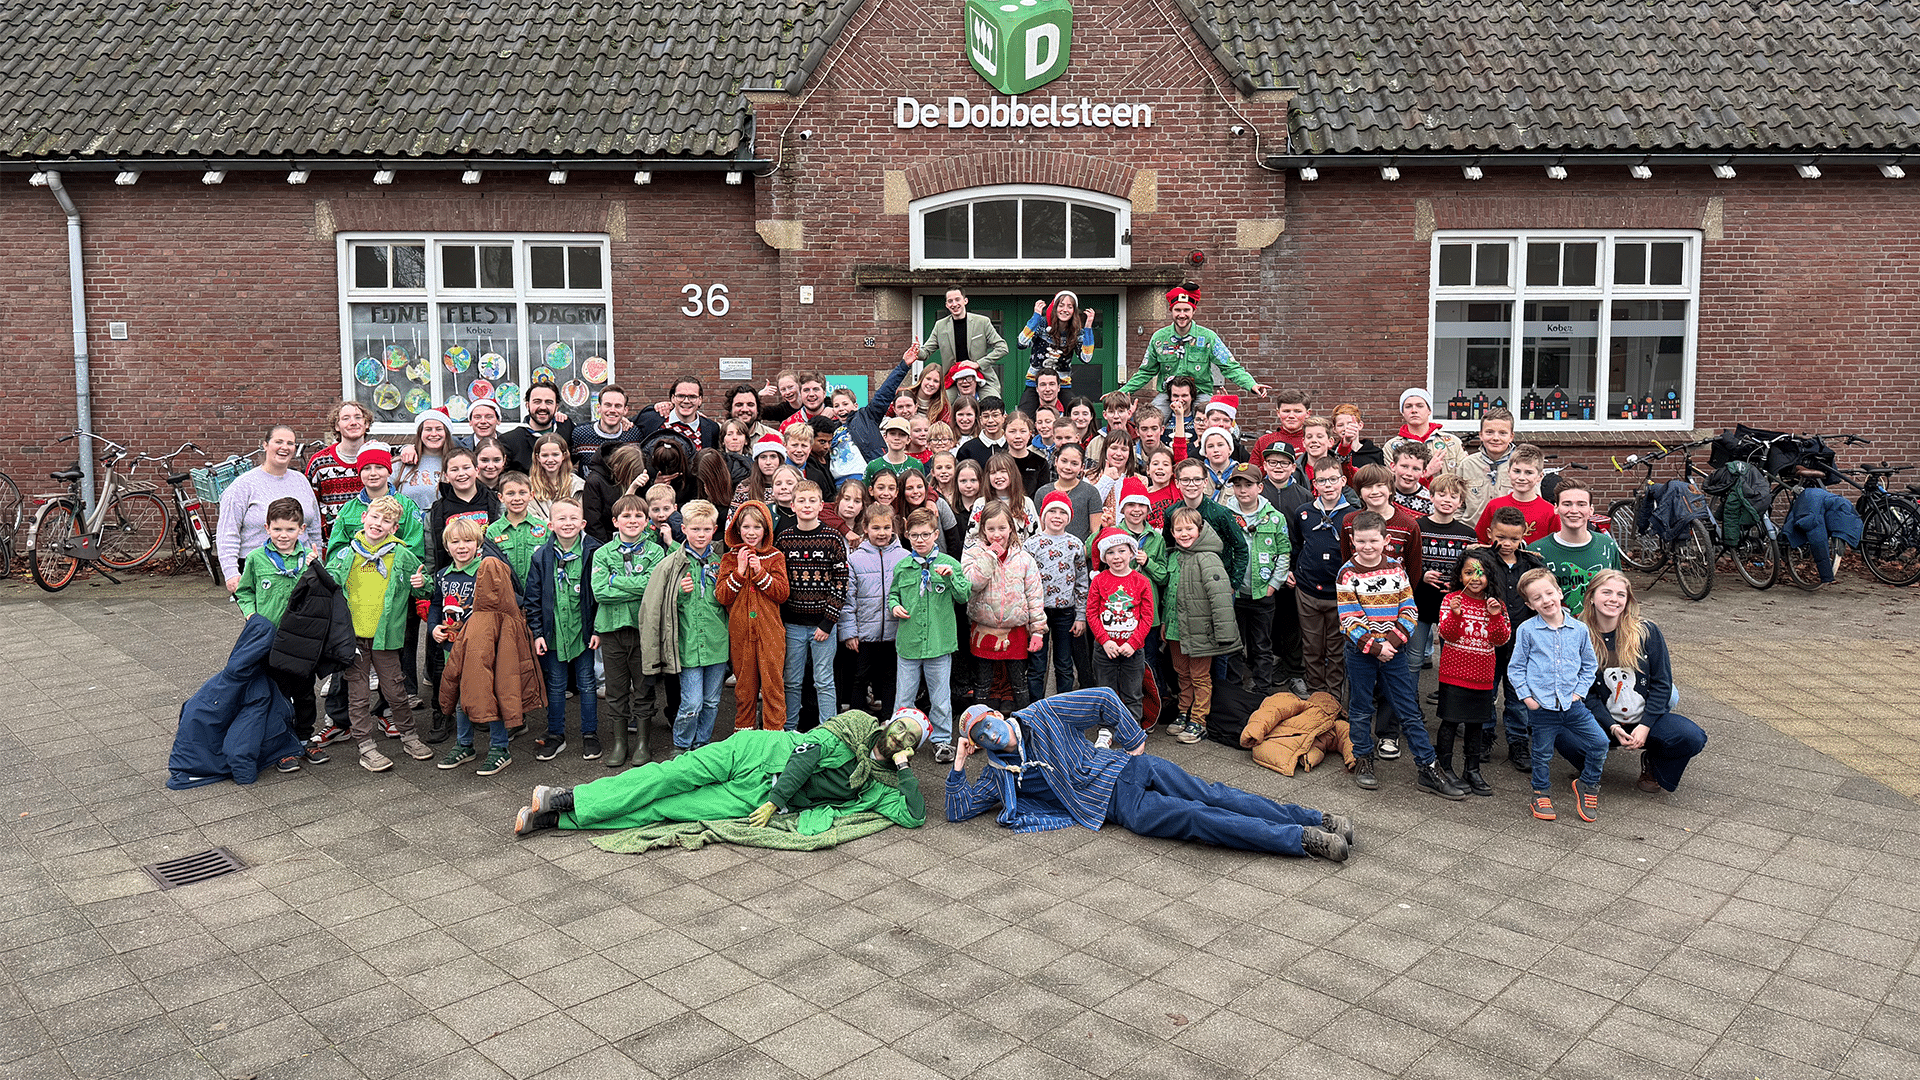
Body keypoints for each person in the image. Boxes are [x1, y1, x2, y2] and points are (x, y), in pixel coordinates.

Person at [946, 690, 1351, 861]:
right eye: (979, 736)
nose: (989, 734)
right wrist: (959, 763)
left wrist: (1134, 742)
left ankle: (1317, 817)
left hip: (1130, 766)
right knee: (1196, 817)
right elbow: (958, 810)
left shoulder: (1042, 713)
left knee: (1213, 793)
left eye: (988, 723)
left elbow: (1104, 699)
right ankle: (1303, 839)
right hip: (1121, 806)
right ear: (977, 744)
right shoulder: (998, 775)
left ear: (997, 714)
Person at [511, 708, 929, 838]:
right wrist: (775, 804)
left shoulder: (880, 783)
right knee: (665, 777)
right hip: (755, 752)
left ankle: (555, 819)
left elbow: (914, 815)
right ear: (890, 722)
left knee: (668, 809)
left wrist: (904, 768)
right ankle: (568, 797)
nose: (899, 738)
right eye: (900, 728)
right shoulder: (857, 724)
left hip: (753, 796)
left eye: (909, 739)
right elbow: (806, 754)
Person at [1338, 511, 1465, 799]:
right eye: (1361, 541)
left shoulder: (1397, 569)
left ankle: (1428, 766)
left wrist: (1391, 643)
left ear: (1386, 541)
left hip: (1394, 651)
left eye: (1374, 541)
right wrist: (1375, 646)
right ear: (1352, 540)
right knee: (1361, 707)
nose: (1367, 546)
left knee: (1408, 708)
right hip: (1361, 652)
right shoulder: (1347, 573)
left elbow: (1409, 610)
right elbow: (1349, 617)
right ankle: (1363, 757)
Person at [1568, 570, 1708, 794]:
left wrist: (1646, 725)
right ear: (1591, 597)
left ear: (1628, 600)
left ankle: (1654, 763)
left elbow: (1662, 684)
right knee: (1563, 734)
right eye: (1606, 592)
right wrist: (1612, 726)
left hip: (1642, 718)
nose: (1614, 599)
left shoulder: (1646, 632)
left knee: (1691, 736)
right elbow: (1586, 694)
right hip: (1604, 721)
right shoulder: (1578, 635)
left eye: (1621, 595)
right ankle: (1592, 763)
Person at [324, 495, 430, 772]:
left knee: (396, 690)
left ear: (394, 528)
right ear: (364, 517)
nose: (378, 523)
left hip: (385, 638)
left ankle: (409, 736)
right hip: (354, 640)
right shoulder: (346, 555)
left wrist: (422, 582)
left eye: (386, 521)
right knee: (358, 695)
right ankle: (366, 746)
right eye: (374, 517)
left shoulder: (402, 555)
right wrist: (314, 566)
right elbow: (328, 582)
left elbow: (425, 585)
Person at [233, 497, 329, 765]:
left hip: (302, 641)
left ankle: (305, 738)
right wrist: (252, 615)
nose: (283, 535)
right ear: (267, 528)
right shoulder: (256, 559)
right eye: (277, 529)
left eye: (290, 529)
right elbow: (244, 592)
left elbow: (322, 593)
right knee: (277, 693)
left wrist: (317, 568)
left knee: (305, 692)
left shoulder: (309, 558)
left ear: (301, 529)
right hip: (271, 640)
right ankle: (282, 744)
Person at [1508, 567, 1605, 822]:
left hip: (1573, 705)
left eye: (1549, 593)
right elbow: (1516, 667)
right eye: (1537, 598)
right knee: (1542, 753)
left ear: (1559, 593)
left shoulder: (1579, 629)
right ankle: (1540, 793)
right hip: (1542, 707)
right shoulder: (1527, 630)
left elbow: (1589, 665)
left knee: (1600, 743)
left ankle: (1588, 784)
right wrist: (1527, 698)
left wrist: (1579, 693)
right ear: (1530, 604)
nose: (1546, 600)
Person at [435, 554, 544, 777]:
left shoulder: (476, 620)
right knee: (499, 702)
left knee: (466, 702)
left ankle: (469, 745)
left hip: (473, 678)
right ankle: (496, 748)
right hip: (499, 678)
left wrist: (446, 696)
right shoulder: (514, 620)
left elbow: (454, 664)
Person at [427, 520, 515, 776]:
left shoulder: (486, 571)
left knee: (490, 694)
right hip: (452, 648)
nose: (462, 546)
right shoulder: (442, 575)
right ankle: (464, 744)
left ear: (478, 544)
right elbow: (436, 604)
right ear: (447, 546)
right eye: (455, 542)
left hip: (483, 647)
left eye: (468, 541)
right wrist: (433, 627)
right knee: (460, 696)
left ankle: (500, 747)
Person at [643, 500, 730, 754]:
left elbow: (728, 600)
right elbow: (658, 605)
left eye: (706, 530)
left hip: (716, 643)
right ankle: (682, 745)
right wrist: (679, 593)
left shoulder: (721, 563)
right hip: (688, 644)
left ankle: (701, 745)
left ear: (714, 530)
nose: (701, 535)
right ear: (684, 529)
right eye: (695, 529)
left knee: (711, 701)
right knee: (692, 703)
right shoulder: (671, 564)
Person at [590, 495, 670, 768]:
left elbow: (652, 587)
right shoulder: (602, 553)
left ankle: (643, 743)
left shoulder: (655, 552)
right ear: (615, 521)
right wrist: (633, 585)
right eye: (626, 516)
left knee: (644, 686)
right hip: (612, 630)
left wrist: (615, 579)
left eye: (638, 516)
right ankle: (620, 742)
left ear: (647, 522)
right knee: (615, 689)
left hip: (642, 630)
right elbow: (600, 592)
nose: (632, 521)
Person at [890, 507, 972, 756]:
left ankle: (942, 740)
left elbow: (964, 596)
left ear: (936, 534)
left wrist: (951, 578)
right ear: (907, 536)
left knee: (940, 697)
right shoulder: (902, 566)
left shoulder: (950, 564)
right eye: (914, 535)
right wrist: (894, 606)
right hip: (909, 642)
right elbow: (893, 594)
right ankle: (898, 740)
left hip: (939, 642)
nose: (920, 540)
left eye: (925, 534)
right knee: (904, 696)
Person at [1155, 505, 1241, 743]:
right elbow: (1169, 594)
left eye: (1189, 529)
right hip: (1176, 628)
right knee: (1182, 673)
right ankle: (1184, 711)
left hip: (1200, 630)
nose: (1184, 534)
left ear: (1200, 530)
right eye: (1179, 530)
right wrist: (1165, 622)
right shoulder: (1174, 556)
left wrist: (1225, 633)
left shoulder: (1208, 558)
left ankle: (1199, 720)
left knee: (1200, 676)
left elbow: (1220, 598)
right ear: (1172, 532)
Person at [525, 498, 602, 762]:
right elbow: (532, 599)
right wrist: (537, 633)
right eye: (561, 519)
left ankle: (590, 733)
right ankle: (555, 734)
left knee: (587, 683)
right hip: (554, 634)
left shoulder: (594, 552)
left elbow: (599, 598)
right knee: (556, 685)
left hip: (583, 632)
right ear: (550, 525)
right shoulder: (541, 557)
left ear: (583, 523)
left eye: (573, 518)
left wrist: (597, 629)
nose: (567, 523)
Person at [1433, 549, 1510, 796]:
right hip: (1454, 673)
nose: (1475, 578)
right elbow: (1446, 634)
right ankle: (1444, 767)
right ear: (1460, 576)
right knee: (1450, 721)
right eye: (1469, 573)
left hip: (1482, 676)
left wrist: (1495, 616)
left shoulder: (1496, 605)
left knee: (1476, 724)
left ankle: (1472, 769)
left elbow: (1501, 639)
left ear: (1490, 577)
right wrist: (1456, 615)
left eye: (1481, 573)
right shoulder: (1451, 599)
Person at [1118, 284, 1268, 411]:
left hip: (1200, 393)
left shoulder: (1208, 338)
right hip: (1168, 394)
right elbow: (1145, 372)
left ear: (1194, 311)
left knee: (1210, 418)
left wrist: (1251, 384)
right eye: (1177, 310)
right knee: (1152, 419)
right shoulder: (1159, 338)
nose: (1182, 315)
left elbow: (1230, 367)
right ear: (1171, 311)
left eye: (1186, 310)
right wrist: (1122, 392)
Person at [777, 481, 849, 730]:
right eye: (801, 501)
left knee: (824, 681)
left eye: (812, 501)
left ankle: (828, 731)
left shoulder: (832, 538)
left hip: (823, 625)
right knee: (792, 681)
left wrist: (828, 621)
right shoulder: (784, 539)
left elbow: (841, 582)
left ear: (821, 506)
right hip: (793, 624)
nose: (806, 505)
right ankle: (789, 730)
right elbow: (780, 581)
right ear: (792, 505)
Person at [963, 501, 1046, 715]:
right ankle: (979, 722)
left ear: (1011, 527)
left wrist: (1037, 630)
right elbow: (971, 584)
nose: (997, 534)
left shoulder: (1024, 559)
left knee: (1019, 682)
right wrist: (989, 557)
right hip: (983, 628)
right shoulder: (974, 554)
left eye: (1002, 528)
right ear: (983, 529)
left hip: (1015, 630)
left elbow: (1034, 595)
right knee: (983, 683)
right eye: (991, 529)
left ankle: (1025, 723)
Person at [218, 425, 323, 591]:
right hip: (258, 571)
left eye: (290, 443)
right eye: (278, 442)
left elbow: (314, 528)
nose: (284, 447)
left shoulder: (301, 481)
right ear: (265, 445)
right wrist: (231, 572)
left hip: (301, 568)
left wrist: (319, 563)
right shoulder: (243, 485)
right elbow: (228, 532)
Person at [718, 500, 791, 732]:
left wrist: (759, 572)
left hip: (770, 632)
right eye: (746, 527)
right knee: (744, 688)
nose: (751, 532)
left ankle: (773, 736)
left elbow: (782, 593)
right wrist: (739, 572)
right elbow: (722, 596)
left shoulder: (775, 557)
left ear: (766, 530)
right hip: (741, 633)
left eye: (757, 527)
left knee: (773, 686)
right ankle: (744, 736)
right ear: (737, 529)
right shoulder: (729, 559)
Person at [1484, 505, 1548, 771]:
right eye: (1501, 537)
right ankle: (1484, 736)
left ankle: (1518, 742)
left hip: (1521, 642)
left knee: (1518, 695)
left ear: (1524, 536)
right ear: (1490, 533)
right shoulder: (1482, 561)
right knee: (1486, 691)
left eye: (1514, 538)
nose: (1507, 544)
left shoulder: (1531, 564)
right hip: (1488, 640)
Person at [1222, 462, 1290, 695]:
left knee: (1261, 644)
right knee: (1234, 644)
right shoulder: (1225, 515)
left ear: (1260, 487)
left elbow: (1283, 552)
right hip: (1235, 592)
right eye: (1237, 485)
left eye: (1248, 485)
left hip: (1263, 592)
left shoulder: (1275, 518)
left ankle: (1262, 689)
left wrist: (1274, 584)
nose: (1242, 490)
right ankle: (1234, 690)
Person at [1290, 459, 1353, 707]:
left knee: (1336, 648)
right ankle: (1316, 692)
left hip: (1339, 593)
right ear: (1314, 484)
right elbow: (1297, 544)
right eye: (1322, 480)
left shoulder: (1352, 515)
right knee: (1312, 645)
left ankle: (1334, 695)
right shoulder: (1304, 512)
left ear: (1342, 481)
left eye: (1333, 479)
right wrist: (1293, 570)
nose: (1328, 485)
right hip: (1308, 590)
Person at [839, 504, 907, 716]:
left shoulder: (904, 557)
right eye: (876, 528)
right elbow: (848, 600)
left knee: (890, 677)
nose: (882, 533)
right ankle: (856, 722)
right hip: (864, 634)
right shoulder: (855, 559)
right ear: (865, 528)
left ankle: (888, 719)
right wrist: (849, 632)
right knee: (859, 677)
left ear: (893, 528)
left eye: (886, 527)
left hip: (895, 633)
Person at [1024, 492, 1088, 701]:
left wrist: (1080, 615)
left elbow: (1081, 581)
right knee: (1037, 664)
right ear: (1043, 515)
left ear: (1069, 517)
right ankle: (1035, 708)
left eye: (1063, 512)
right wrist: (1026, 614)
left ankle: (1063, 707)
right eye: (1052, 511)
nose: (1057, 516)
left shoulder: (1075, 544)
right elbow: (1023, 581)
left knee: (1064, 663)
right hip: (1038, 613)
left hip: (1065, 613)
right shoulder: (1031, 544)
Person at [1087, 527, 1154, 724]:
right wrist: (1105, 641)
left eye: (1121, 551)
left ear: (1132, 552)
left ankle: (1131, 729)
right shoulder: (1099, 581)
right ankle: (1106, 729)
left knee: (1133, 693)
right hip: (1104, 649)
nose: (1116, 557)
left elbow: (1147, 617)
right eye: (1110, 552)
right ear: (1104, 557)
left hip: (1133, 649)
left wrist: (1133, 643)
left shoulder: (1142, 582)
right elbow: (1092, 613)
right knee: (1105, 692)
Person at [1414, 474, 1478, 678]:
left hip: (1452, 604)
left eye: (1453, 496)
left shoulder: (1468, 534)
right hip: (1420, 600)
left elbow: (1474, 570)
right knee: (1413, 657)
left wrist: (1459, 582)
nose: (1447, 500)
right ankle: (1409, 697)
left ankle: (1446, 695)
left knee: (1451, 657)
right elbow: (1408, 563)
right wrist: (1422, 576)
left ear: (1460, 502)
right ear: (1431, 496)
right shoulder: (1417, 527)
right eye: (1442, 494)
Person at [1526, 478, 1619, 616]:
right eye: (1567, 504)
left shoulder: (1606, 545)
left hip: (1601, 625)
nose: (1574, 510)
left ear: (1591, 509)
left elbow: (1619, 590)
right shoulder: (1537, 551)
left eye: (1581, 504)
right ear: (1556, 508)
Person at [906, 286, 1008, 402]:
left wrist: (978, 364)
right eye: (950, 301)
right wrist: (916, 351)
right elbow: (926, 352)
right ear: (946, 305)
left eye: (957, 299)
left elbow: (1002, 348)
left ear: (965, 301)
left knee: (993, 404)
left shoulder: (982, 322)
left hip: (981, 376)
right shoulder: (940, 326)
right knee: (944, 405)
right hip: (953, 379)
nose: (954, 304)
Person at [323, 448, 424, 563]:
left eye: (379, 467)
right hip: (356, 571)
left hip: (395, 570)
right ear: (359, 473)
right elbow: (335, 552)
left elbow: (415, 549)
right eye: (366, 468)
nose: (373, 473)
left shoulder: (407, 506)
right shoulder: (347, 510)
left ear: (389, 471)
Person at [1166, 458, 1251, 586]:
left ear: (1205, 482)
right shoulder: (1171, 513)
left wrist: (1233, 583)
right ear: (1177, 483)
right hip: (1184, 581)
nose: (1191, 484)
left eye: (1197, 479)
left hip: (1217, 582)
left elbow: (1241, 548)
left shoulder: (1221, 513)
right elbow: (1168, 547)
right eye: (1185, 480)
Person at [306, 401, 386, 535]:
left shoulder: (380, 457)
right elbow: (309, 505)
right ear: (337, 426)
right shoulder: (319, 462)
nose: (353, 422)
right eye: (346, 418)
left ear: (366, 424)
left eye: (358, 417)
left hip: (375, 539)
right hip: (332, 541)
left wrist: (407, 448)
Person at [1016, 291, 1096, 412]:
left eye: (1070, 307)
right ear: (1055, 308)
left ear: (1074, 311)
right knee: (1023, 416)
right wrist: (1036, 317)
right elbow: (1021, 343)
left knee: (1074, 413)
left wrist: (1088, 328)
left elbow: (1086, 357)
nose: (1065, 310)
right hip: (1035, 381)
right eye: (1061, 305)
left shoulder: (1076, 332)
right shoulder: (1042, 324)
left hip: (1062, 383)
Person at [1476, 443, 1559, 544]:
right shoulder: (1494, 506)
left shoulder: (1550, 512)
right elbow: (1480, 541)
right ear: (1508, 472)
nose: (1521, 478)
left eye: (1528, 473)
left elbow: (1555, 545)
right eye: (1517, 471)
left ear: (1540, 476)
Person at [1384, 388, 1465, 480]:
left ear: (1429, 410)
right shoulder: (1391, 447)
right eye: (1408, 406)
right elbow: (1392, 483)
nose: (1414, 410)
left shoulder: (1453, 442)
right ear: (1402, 412)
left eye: (1420, 406)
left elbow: (1464, 480)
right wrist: (1427, 473)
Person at [499, 382, 577, 474]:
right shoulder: (509, 440)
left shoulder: (567, 427)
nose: (543, 407)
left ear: (556, 407)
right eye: (537, 402)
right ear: (527, 405)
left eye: (549, 402)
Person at [1459, 407, 1516, 526]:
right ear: (1481, 435)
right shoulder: (1467, 465)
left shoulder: (1522, 466)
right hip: (1472, 532)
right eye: (1489, 432)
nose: (1495, 438)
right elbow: (1456, 504)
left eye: (1503, 433)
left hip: (1509, 534)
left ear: (1511, 436)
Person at [635, 377, 721, 451]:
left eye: (692, 397)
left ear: (700, 400)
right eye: (681, 396)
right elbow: (628, 425)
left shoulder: (711, 428)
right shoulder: (651, 418)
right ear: (673, 398)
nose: (686, 401)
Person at [570, 383, 639, 472]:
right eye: (608, 405)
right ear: (599, 408)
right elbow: (565, 464)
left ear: (625, 410)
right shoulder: (581, 434)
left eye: (618, 406)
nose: (612, 410)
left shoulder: (634, 434)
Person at [395, 410, 451, 510]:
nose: (434, 434)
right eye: (428, 429)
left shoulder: (455, 462)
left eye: (439, 429)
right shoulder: (403, 462)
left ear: (446, 432)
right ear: (420, 433)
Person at [527, 434, 586, 520]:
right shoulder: (527, 486)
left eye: (555, 455)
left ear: (563, 455)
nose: (550, 460)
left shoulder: (578, 485)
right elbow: (529, 518)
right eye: (545, 455)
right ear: (538, 457)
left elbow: (579, 517)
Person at [1002, 411, 1051, 498]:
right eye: (1012, 431)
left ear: (1030, 434)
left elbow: (1043, 495)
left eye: (1023, 431)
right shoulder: (999, 462)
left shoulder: (1041, 463)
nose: (1018, 436)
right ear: (1004, 434)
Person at [864, 417, 925, 485]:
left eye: (902, 435)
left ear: (908, 440)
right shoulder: (873, 466)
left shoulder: (916, 464)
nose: (897, 438)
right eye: (892, 434)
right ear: (885, 437)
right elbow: (865, 490)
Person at [955, 396, 1010, 468]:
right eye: (986, 416)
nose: (990, 420)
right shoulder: (967, 449)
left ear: (1004, 417)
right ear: (980, 419)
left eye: (995, 415)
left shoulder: (1011, 445)